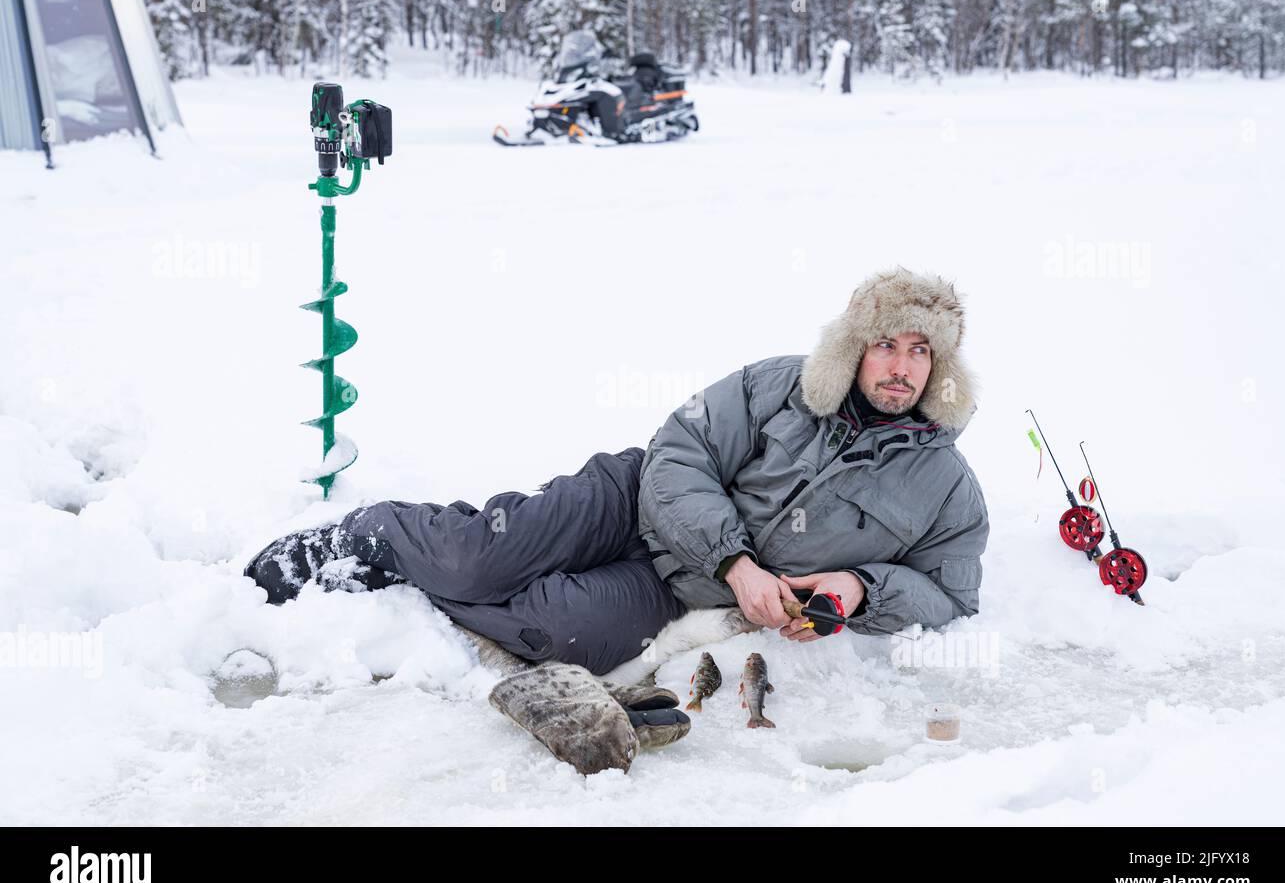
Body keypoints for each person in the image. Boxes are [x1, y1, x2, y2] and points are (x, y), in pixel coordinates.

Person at [245, 267, 989, 679]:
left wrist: (863, 589)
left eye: (920, 351)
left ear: (940, 365)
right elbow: (679, 452)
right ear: (854, 349)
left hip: (669, 586)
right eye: (885, 344)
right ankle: (375, 534)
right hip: (631, 501)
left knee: (570, 636)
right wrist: (736, 562)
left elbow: (953, 592)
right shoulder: (778, 384)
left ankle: (429, 574)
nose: (900, 366)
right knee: (479, 560)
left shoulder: (947, 485)